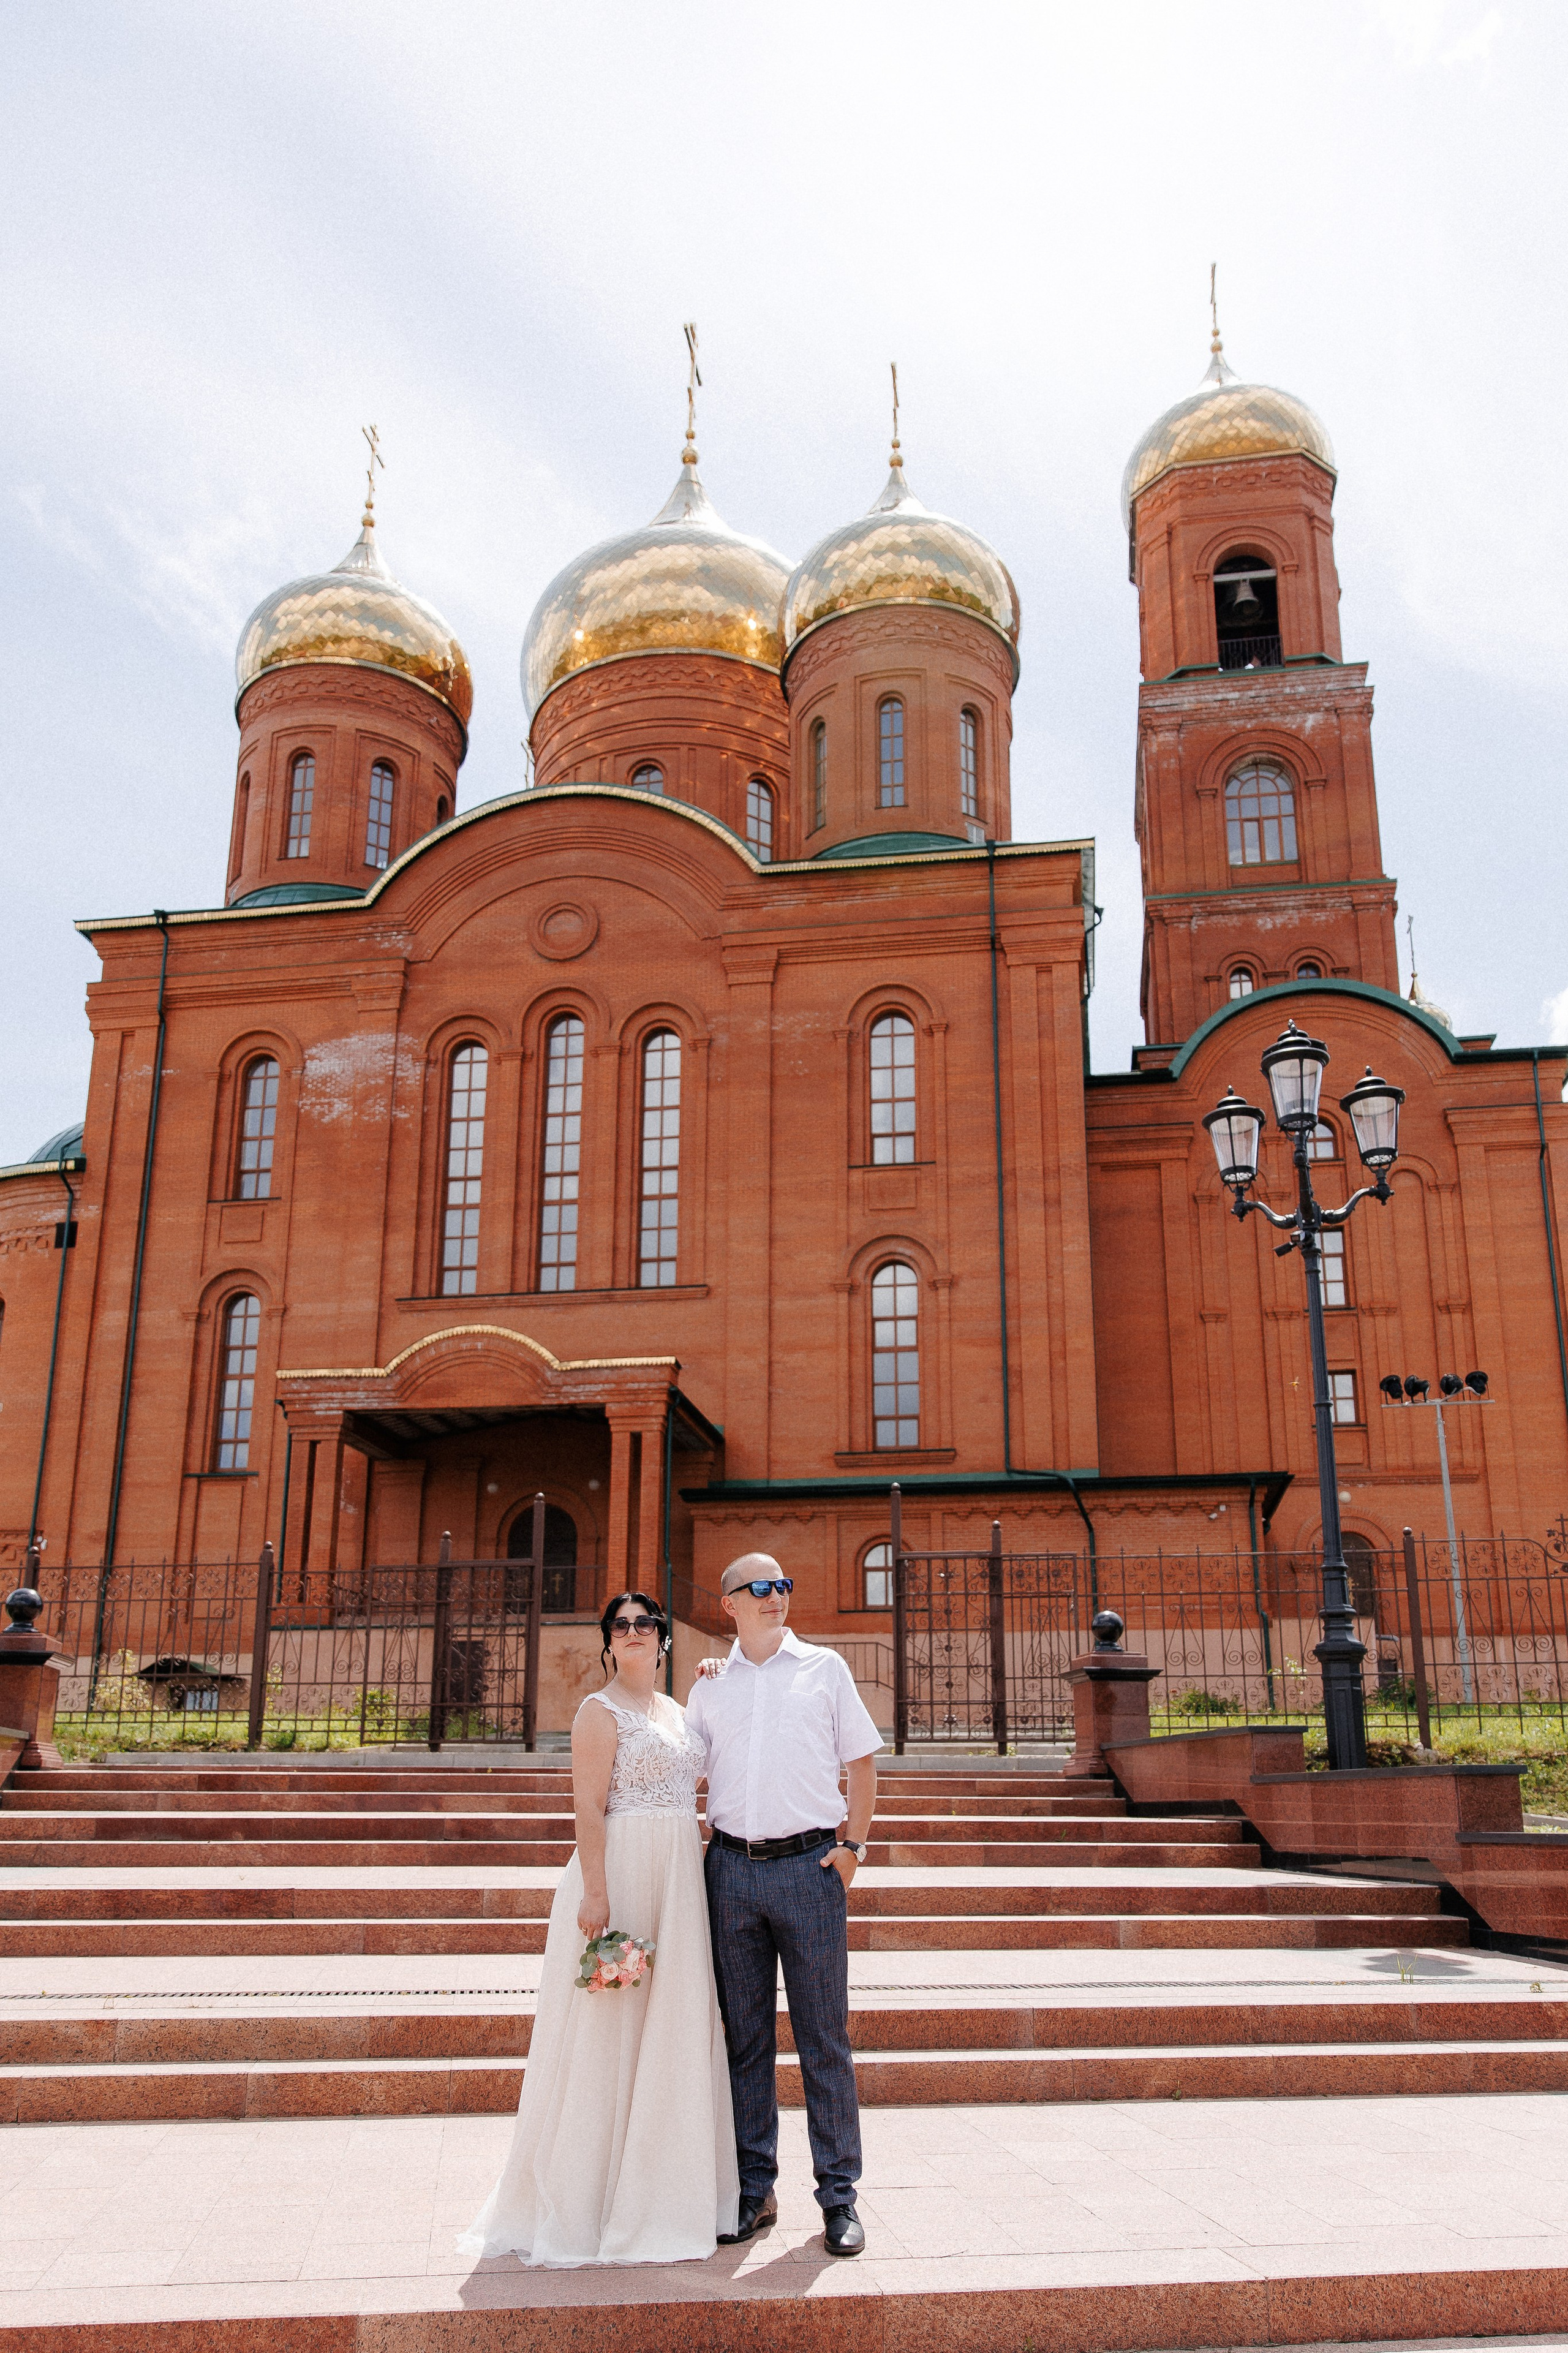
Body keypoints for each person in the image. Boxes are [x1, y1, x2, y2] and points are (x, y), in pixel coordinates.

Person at [459, 1591, 739, 2267]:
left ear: (664, 1639)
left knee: (669, 2023)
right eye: (623, 1624)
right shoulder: (597, 1709)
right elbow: (587, 1802)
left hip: (678, 1878)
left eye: (647, 1623)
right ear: (609, 1641)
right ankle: (592, 2200)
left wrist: (717, 1678)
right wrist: (595, 1892)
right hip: (619, 1875)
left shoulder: (678, 1712)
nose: (636, 1631)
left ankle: (664, 2191)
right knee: (605, 2034)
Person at [684, 1551, 881, 2259]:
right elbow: (685, 1774)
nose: (776, 1596)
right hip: (731, 1872)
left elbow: (860, 1763)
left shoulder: (823, 1668)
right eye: (759, 1588)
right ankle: (753, 2189)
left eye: (783, 1585)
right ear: (730, 1603)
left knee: (825, 2038)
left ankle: (839, 2197)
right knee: (745, 2043)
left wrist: (853, 1847)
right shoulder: (709, 1686)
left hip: (808, 1868)